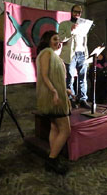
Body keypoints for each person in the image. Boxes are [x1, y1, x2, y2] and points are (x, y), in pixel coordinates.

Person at [36, 30, 72, 175]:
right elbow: (44, 76)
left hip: (57, 96)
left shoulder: (53, 54)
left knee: (55, 127)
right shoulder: (46, 53)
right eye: (55, 39)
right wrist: (55, 91)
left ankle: (54, 157)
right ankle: (51, 160)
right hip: (53, 97)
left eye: (59, 40)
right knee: (66, 129)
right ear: (47, 40)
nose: (58, 42)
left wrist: (65, 90)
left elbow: (55, 77)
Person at [61, 4, 91, 109]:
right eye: (75, 11)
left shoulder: (83, 25)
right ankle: (71, 99)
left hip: (81, 53)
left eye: (79, 12)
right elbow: (60, 39)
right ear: (71, 12)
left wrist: (86, 55)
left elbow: (84, 42)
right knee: (69, 78)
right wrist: (71, 31)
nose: (77, 14)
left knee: (83, 78)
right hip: (70, 55)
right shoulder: (64, 24)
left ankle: (83, 99)